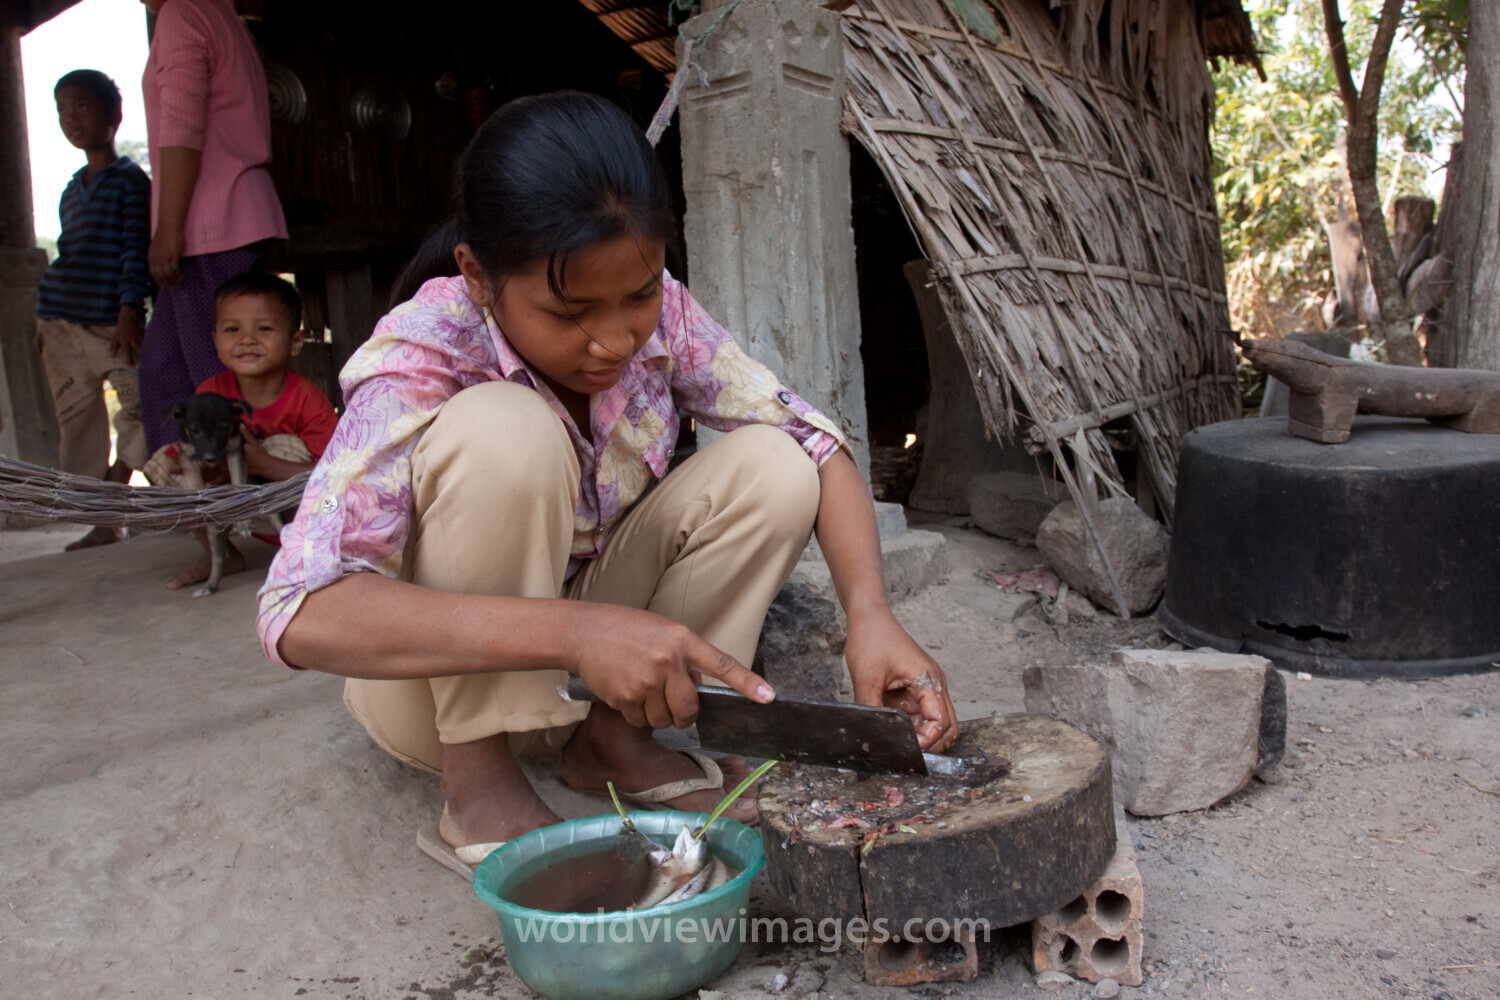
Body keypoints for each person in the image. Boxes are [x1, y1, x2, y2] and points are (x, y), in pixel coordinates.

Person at [256, 92, 958, 873]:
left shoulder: (662, 316)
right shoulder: (424, 350)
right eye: (571, 310)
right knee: (503, 429)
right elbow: (298, 613)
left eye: (640, 293)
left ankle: (615, 742)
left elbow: (816, 443)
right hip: (434, 698)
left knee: (776, 463)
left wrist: (872, 614)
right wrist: (577, 634)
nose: (617, 337)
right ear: (478, 276)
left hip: (599, 673)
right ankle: (479, 785)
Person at [137, 0, 287, 457]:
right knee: (163, 368)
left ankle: (234, 502)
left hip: (213, 225)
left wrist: (168, 228)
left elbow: (183, 127)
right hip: (231, 220)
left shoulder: (183, 13)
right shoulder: (219, 13)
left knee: (214, 380)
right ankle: (191, 499)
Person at [144, 273, 337, 591]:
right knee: (162, 464)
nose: (247, 339)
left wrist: (264, 464)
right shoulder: (210, 393)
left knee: (284, 446)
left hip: (290, 507)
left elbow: (337, 476)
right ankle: (220, 553)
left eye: (264, 328)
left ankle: (310, 549)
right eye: (233, 329)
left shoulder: (308, 400)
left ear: (296, 341)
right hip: (229, 496)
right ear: (216, 340)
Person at [35, 69, 150, 550]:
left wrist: (129, 310)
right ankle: (103, 518)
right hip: (60, 319)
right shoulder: (70, 190)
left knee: (143, 408)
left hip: (113, 322)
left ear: (113, 115)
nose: (70, 119)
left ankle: (116, 498)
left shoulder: (130, 181)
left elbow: (134, 249)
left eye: (82, 107)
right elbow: (69, 250)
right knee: (76, 423)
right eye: (62, 110)